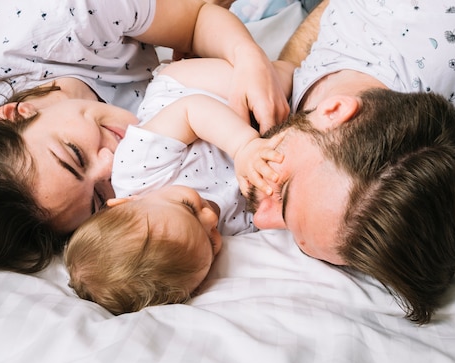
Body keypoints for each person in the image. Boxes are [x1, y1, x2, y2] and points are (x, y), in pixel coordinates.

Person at [0, 0, 290, 275]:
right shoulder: (22, 182)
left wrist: (248, 58)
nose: (111, 162)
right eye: (97, 198)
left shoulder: (69, 18)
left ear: (16, 112)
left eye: (74, 155)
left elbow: (196, 20)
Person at [246, 0, 455, 324]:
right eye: (284, 192)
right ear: (334, 111)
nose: (260, 220)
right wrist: (277, 68)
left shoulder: (426, 146)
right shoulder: (396, 15)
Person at [64, 58, 293, 314]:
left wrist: (243, 146)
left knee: (282, 82)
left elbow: (191, 111)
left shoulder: (135, 171)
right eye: (211, 242)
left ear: (126, 202)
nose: (209, 217)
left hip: (196, 90)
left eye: (187, 207)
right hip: (257, 131)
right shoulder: (211, 238)